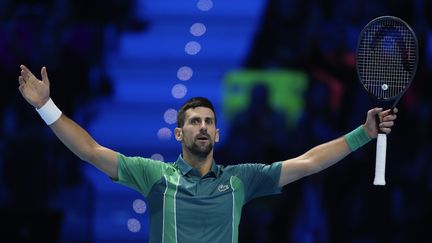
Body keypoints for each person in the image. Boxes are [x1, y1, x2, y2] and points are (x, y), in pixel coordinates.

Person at [17, 64, 398, 243]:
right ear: (179, 132)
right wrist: (46, 106)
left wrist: (363, 134)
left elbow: (309, 162)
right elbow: (89, 150)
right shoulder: (154, 176)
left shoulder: (241, 179)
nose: (202, 126)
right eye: (194, 121)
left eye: (208, 121)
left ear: (217, 132)